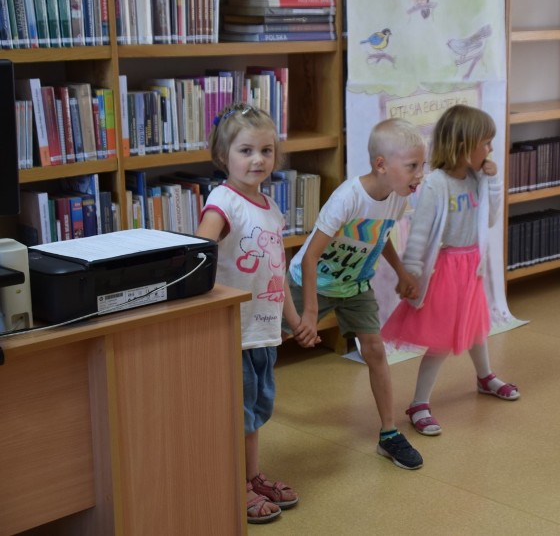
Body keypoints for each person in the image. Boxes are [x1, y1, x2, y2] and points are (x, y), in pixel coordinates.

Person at [196, 102, 319, 524]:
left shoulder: (269, 206)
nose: (258, 160)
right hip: (235, 332)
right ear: (223, 156)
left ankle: (250, 475)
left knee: (255, 411)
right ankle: (237, 484)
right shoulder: (222, 202)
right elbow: (201, 253)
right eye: (246, 150)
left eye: (266, 151)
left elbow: (277, 273)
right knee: (239, 413)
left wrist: (294, 318)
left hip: (264, 330)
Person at [284, 118, 426, 470]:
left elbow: (380, 237)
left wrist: (402, 272)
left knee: (375, 350)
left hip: (354, 287)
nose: (419, 174)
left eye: (421, 166)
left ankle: (389, 433)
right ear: (381, 165)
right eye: (412, 166)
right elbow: (313, 255)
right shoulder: (348, 198)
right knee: (266, 340)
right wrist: (310, 313)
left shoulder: (396, 198)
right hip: (309, 282)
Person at [381, 105, 520, 437]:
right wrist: (410, 273)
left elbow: (488, 218)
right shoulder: (436, 184)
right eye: (485, 143)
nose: (489, 150)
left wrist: (493, 180)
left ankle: (484, 376)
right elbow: (420, 234)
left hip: (472, 266)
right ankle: (418, 403)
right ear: (463, 144)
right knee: (442, 340)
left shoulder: (476, 179)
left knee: (475, 326)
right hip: (445, 270)